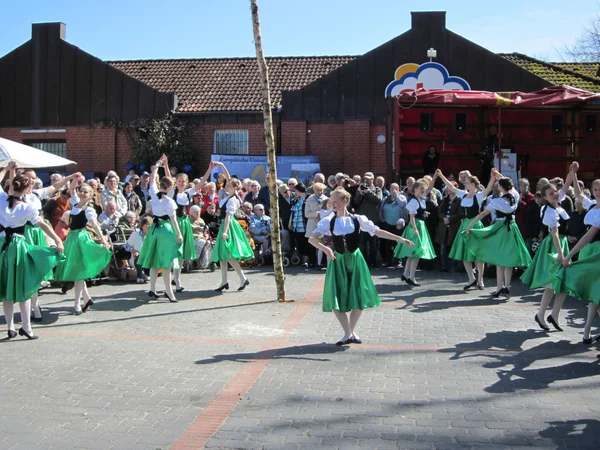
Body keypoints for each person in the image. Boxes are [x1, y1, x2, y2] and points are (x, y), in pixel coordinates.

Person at [308, 188, 414, 345]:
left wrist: (400, 239)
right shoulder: (328, 220)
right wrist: (326, 248)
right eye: (331, 202)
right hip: (338, 261)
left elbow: (377, 231)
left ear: (345, 201)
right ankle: (347, 333)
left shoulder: (358, 219)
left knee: (359, 295)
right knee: (337, 296)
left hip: (356, 260)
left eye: (335, 202)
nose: (333, 205)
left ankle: (351, 332)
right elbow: (312, 239)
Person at [0, 173, 64, 340]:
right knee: (24, 286)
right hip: (17, 246)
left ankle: (10, 327)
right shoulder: (27, 207)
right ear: (28, 188)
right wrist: (57, 239)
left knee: (7, 287)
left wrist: (7, 169)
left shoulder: (1, 199)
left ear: (12, 186)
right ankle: (27, 327)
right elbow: (41, 224)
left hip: (2, 246)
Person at [464, 171, 532, 298]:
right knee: (508, 260)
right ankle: (506, 287)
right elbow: (512, 188)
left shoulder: (497, 202)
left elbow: (483, 214)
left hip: (501, 229)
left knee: (499, 259)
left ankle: (500, 288)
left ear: (501, 187)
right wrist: (499, 175)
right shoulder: (515, 197)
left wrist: (470, 225)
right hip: (512, 228)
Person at [54, 176, 112, 315]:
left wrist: (103, 239)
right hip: (72, 239)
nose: (82, 193)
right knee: (77, 272)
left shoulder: (88, 210)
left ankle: (77, 304)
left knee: (79, 272)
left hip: (81, 239)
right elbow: (72, 188)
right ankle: (87, 299)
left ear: (91, 195)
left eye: (86, 192)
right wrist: (76, 177)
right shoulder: (74, 204)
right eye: (82, 191)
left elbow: (94, 225)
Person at [521, 182, 571, 332]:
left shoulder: (557, 204)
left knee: (563, 283)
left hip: (562, 243)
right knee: (553, 283)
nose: (555, 194)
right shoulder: (550, 211)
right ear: (544, 197)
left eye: (555, 191)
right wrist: (561, 254)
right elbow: (555, 234)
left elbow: (566, 186)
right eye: (551, 193)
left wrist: (573, 172)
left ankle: (552, 314)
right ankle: (542, 313)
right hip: (555, 246)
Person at [138, 157, 183, 302]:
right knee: (166, 262)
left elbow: (151, 180)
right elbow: (173, 219)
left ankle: (152, 289)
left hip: (154, 230)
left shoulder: (154, 193)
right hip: (164, 230)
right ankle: (169, 292)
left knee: (155, 260)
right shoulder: (169, 201)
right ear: (170, 187)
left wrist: (157, 165)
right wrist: (179, 234)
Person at [437, 170, 491, 290]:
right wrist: (441, 175)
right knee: (465, 254)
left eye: (467, 182)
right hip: (464, 225)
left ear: (473, 184)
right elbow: (450, 186)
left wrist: (492, 178)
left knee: (478, 255)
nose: (464, 183)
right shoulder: (463, 194)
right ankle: (471, 278)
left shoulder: (479, 195)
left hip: (475, 224)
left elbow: (487, 190)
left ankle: (480, 279)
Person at [395, 176, 438, 286]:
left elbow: (430, 188)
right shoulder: (413, 201)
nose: (423, 190)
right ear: (414, 189)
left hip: (421, 225)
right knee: (415, 253)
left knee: (413, 253)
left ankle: (406, 274)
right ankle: (412, 277)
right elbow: (412, 217)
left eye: (423, 188)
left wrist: (435, 177)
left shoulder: (422, 198)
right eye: (420, 188)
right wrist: (415, 229)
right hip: (416, 226)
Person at [212, 178, 253, 291]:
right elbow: (228, 176)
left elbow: (228, 216)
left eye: (230, 185)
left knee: (228, 255)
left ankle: (243, 278)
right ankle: (224, 281)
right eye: (227, 185)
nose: (227, 186)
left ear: (235, 188)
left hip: (229, 226)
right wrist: (221, 165)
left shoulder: (232, 200)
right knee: (223, 256)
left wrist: (225, 231)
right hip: (224, 226)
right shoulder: (228, 197)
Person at [164, 158, 198, 292]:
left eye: (183, 181)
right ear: (176, 182)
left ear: (186, 182)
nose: (181, 183)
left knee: (182, 253)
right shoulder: (172, 192)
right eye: (179, 181)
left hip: (185, 222)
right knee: (175, 251)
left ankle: (177, 278)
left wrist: (209, 169)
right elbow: (167, 176)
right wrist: (166, 164)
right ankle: (174, 278)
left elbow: (200, 184)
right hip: (175, 222)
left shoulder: (188, 193)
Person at [352, 172, 383, 268]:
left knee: (373, 243)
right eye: (364, 179)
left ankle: (373, 262)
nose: (366, 181)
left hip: (373, 220)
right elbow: (355, 202)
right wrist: (359, 193)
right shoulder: (359, 189)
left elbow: (378, 200)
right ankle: (363, 262)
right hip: (361, 221)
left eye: (368, 179)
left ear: (372, 180)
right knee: (361, 243)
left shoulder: (377, 190)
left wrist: (368, 191)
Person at [434, 181, 461, 273]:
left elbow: (459, 213)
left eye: (451, 187)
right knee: (443, 247)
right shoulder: (445, 199)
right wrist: (444, 218)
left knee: (454, 246)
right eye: (448, 188)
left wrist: (451, 219)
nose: (448, 189)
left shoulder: (459, 199)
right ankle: (443, 265)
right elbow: (440, 211)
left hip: (454, 226)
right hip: (444, 226)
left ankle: (454, 265)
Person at [378, 183, 407, 267]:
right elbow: (381, 209)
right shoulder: (386, 199)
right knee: (388, 243)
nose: (393, 190)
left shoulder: (402, 198)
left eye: (395, 189)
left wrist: (396, 196)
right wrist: (382, 218)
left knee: (397, 243)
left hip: (398, 225)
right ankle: (388, 261)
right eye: (391, 189)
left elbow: (402, 204)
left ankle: (398, 261)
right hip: (387, 224)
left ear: (398, 190)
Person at [125, 215, 152, 284]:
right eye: (148, 224)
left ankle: (147, 274)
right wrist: (133, 251)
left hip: (148, 258)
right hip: (136, 258)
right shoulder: (135, 234)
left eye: (151, 224)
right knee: (139, 256)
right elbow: (127, 246)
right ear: (142, 226)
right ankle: (139, 277)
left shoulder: (152, 236)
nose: (150, 226)